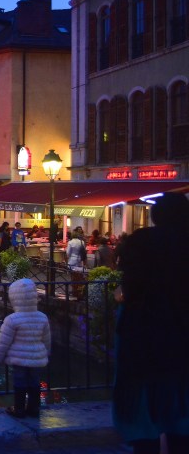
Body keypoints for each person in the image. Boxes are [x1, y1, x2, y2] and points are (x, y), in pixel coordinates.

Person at [113, 192, 189, 454]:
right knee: (181, 409)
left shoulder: (141, 241)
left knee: (144, 408)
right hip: (181, 334)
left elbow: (130, 287)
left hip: (144, 333)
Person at [0, 278, 51, 418]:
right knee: (34, 382)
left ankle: (18, 408)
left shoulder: (12, 319)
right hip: (36, 357)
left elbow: (3, 342)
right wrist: (46, 352)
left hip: (19, 358)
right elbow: (46, 339)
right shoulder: (42, 317)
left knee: (20, 382)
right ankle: (34, 408)